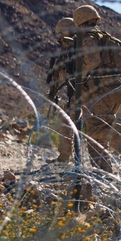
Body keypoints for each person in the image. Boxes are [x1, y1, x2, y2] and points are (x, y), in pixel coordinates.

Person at [72, 4, 121, 172]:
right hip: (117, 89)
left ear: (80, 22)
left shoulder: (89, 38)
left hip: (103, 91)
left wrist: (79, 76)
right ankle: (105, 171)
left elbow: (92, 62)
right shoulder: (107, 38)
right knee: (101, 127)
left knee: (96, 129)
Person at [46, 17, 77, 163]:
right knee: (67, 121)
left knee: (97, 129)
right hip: (83, 92)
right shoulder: (71, 47)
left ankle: (65, 158)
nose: (58, 39)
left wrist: (59, 74)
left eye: (59, 35)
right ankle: (64, 157)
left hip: (88, 91)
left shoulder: (75, 47)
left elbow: (73, 72)